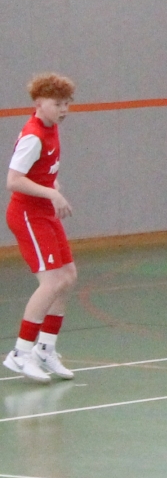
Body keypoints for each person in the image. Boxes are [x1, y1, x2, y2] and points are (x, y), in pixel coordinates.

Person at [5, 74, 78, 384]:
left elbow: (42, 170)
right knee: (50, 282)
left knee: (68, 277)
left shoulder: (52, 128)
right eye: (56, 104)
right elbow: (13, 180)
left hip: (44, 212)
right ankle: (20, 352)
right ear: (38, 103)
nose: (63, 110)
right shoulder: (33, 136)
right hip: (27, 215)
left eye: (66, 104)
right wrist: (51, 193)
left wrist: (52, 184)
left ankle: (45, 348)